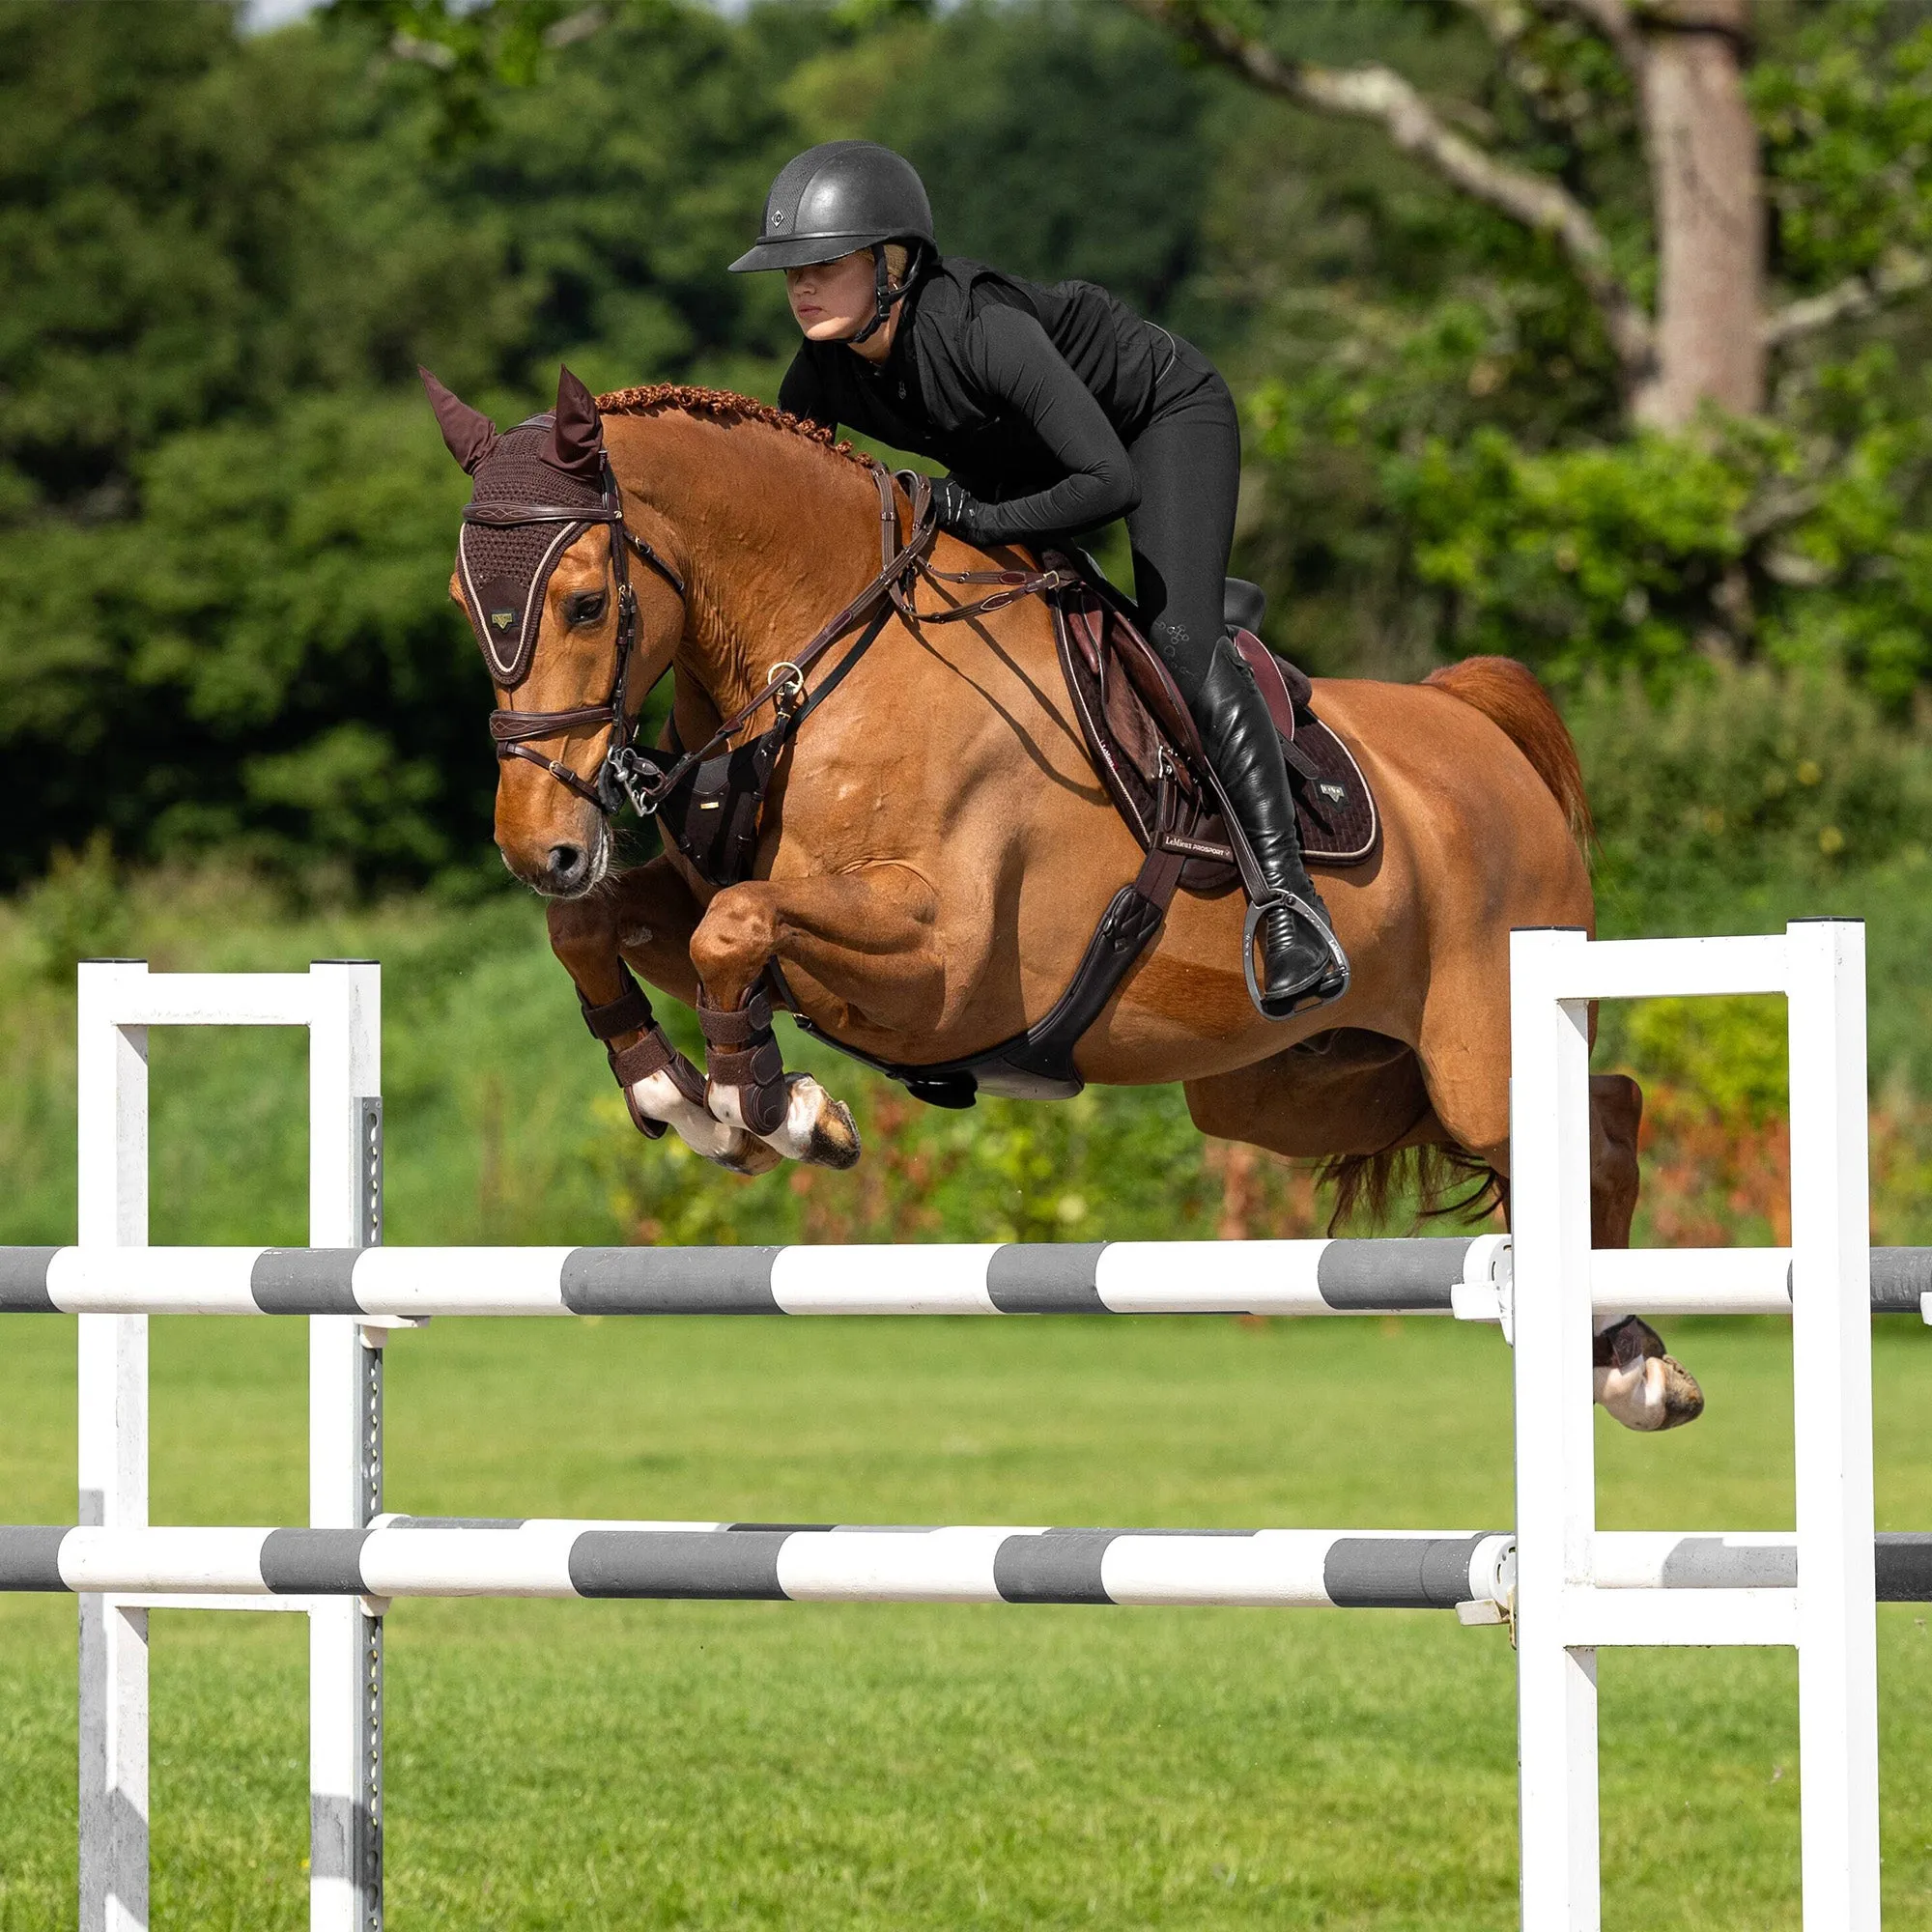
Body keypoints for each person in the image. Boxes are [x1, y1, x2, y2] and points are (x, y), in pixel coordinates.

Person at [729, 139, 1348, 1019]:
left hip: (1150, 427)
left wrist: (971, 516)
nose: (801, 288)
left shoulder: (978, 329)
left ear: (892, 264)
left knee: (1178, 638)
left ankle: (1289, 904)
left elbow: (1106, 486)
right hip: (1025, 465)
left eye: (825, 265)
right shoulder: (819, 373)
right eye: (791, 271)